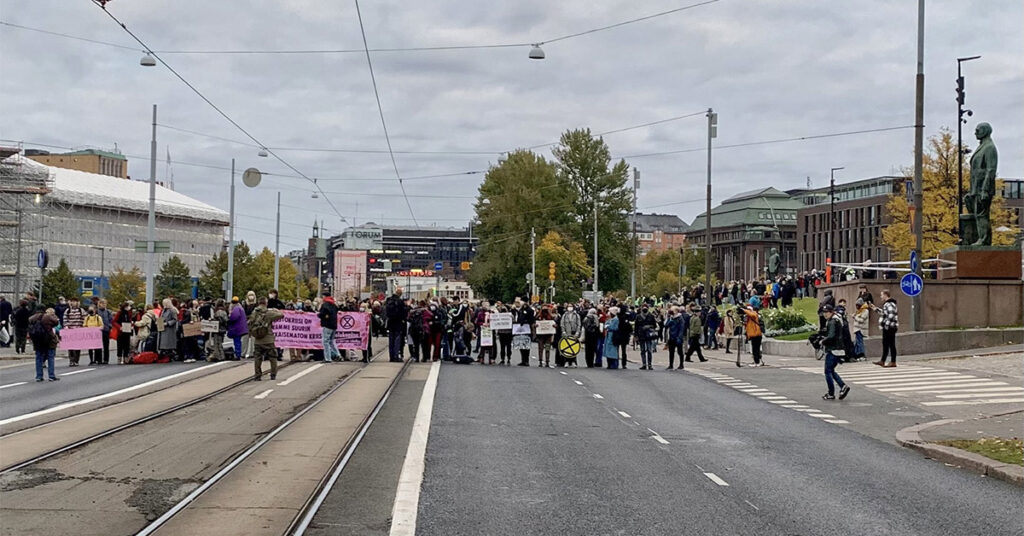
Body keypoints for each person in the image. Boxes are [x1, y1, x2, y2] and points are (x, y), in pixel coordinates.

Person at [820, 304, 851, 401]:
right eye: (824, 312)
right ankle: (842, 386)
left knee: (827, 371)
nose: (825, 314)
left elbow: (832, 335)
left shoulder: (832, 321)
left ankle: (831, 393)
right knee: (831, 370)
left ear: (831, 312)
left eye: (827, 312)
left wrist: (823, 341)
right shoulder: (837, 319)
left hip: (834, 349)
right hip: (839, 349)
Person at [250, 297, 284, 381]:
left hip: (258, 339)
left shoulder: (254, 312)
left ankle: (257, 376)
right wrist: (275, 310)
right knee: (273, 357)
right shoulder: (269, 312)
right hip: (268, 339)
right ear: (266, 303)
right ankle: (273, 375)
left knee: (257, 358)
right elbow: (281, 315)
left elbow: (250, 323)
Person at [29, 307, 60, 382]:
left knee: (38, 358)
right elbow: (56, 322)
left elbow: (30, 327)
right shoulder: (47, 317)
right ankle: (51, 376)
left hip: (37, 341)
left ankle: (39, 376)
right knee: (50, 357)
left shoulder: (31, 318)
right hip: (48, 339)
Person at [874, 290, 898, 367]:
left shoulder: (889, 304)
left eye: (881, 295)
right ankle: (883, 360)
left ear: (885, 295)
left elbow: (891, 315)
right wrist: (876, 309)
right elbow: (885, 313)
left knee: (890, 344)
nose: (881, 297)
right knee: (886, 344)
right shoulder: (888, 304)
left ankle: (892, 361)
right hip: (890, 327)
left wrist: (885, 325)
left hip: (889, 327)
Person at [385, 288, 409, 362]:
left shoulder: (388, 300)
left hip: (390, 322)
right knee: (397, 340)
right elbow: (404, 313)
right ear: (400, 294)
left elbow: (386, 312)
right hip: (398, 323)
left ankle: (391, 356)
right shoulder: (400, 302)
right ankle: (396, 356)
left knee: (391, 340)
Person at [62, 297, 86, 366]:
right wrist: (66, 326)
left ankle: (76, 360)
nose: (74, 303)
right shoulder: (68, 310)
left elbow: (84, 318)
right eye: (72, 301)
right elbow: (65, 319)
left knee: (77, 347)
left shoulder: (81, 310)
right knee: (71, 347)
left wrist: (83, 326)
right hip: (70, 330)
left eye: (75, 301)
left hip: (78, 330)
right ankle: (71, 360)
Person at [318, 294, 341, 362]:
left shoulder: (325, 305)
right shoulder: (334, 304)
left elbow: (322, 314)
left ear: (325, 297)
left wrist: (318, 315)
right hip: (334, 325)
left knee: (326, 341)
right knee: (331, 341)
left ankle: (328, 358)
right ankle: (338, 354)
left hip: (327, 324)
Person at [635, 305, 658, 370]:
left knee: (649, 350)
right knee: (642, 350)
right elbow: (636, 327)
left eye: (646, 307)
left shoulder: (651, 316)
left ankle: (650, 364)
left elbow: (655, 325)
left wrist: (649, 326)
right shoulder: (638, 316)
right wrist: (635, 335)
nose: (644, 309)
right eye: (643, 307)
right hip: (641, 335)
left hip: (648, 335)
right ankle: (644, 364)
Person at [513, 299, 534, 366]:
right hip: (521, 329)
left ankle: (526, 360)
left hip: (527, 329)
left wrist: (526, 321)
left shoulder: (530, 310)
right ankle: (523, 360)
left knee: (526, 345)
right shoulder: (520, 310)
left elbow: (531, 320)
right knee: (521, 344)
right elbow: (518, 318)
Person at [95, 299, 113, 364]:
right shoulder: (96, 311)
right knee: (98, 345)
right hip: (98, 330)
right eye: (102, 303)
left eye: (105, 303)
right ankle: (98, 359)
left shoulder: (108, 312)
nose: (103, 305)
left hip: (106, 330)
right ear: (99, 304)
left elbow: (111, 320)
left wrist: (109, 326)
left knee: (106, 346)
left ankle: (106, 359)